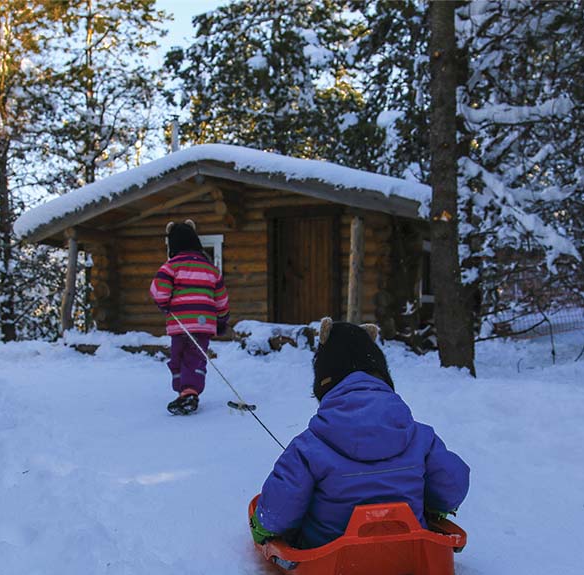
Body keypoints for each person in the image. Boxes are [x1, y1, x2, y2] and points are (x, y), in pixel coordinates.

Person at [250, 318, 469, 548]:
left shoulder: (310, 446)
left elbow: (281, 504)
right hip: (409, 545)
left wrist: (262, 526)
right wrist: (436, 507)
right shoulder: (420, 437)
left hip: (328, 554)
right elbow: (453, 481)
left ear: (325, 384)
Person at [149, 220, 230, 415]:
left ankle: (187, 392)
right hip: (204, 325)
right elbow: (221, 299)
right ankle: (187, 392)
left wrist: (164, 304)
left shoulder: (171, 267)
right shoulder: (211, 269)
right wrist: (221, 320)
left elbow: (158, 290)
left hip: (180, 324)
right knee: (195, 357)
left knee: (178, 356)